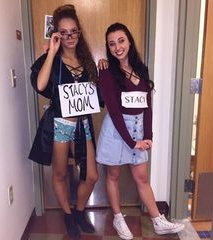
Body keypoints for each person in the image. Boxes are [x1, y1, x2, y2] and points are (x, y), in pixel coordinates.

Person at [96, 23, 184, 240]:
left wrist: (148, 136)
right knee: (114, 175)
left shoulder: (141, 69)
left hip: (137, 129)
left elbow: (147, 107)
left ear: (129, 41)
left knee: (142, 177)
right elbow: (115, 113)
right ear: (108, 48)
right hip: (117, 131)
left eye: (121, 40)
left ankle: (158, 221)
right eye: (112, 43)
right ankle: (118, 218)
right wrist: (131, 141)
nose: (117, 47)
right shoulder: (107, 72)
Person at [28, 5, 103, 240]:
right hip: (61, 124)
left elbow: (95, 93)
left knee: (91, 175)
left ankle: (80, 211)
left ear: (79, 33)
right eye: (64, 32)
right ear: (57, 34)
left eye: (74, 32)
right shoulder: (52, 58)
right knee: (60, 174)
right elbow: (40, 85)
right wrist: (51, 52)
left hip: (83, 125)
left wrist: (104, 69)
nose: (70, 37)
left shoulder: (86, 59)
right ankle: (68, 215)